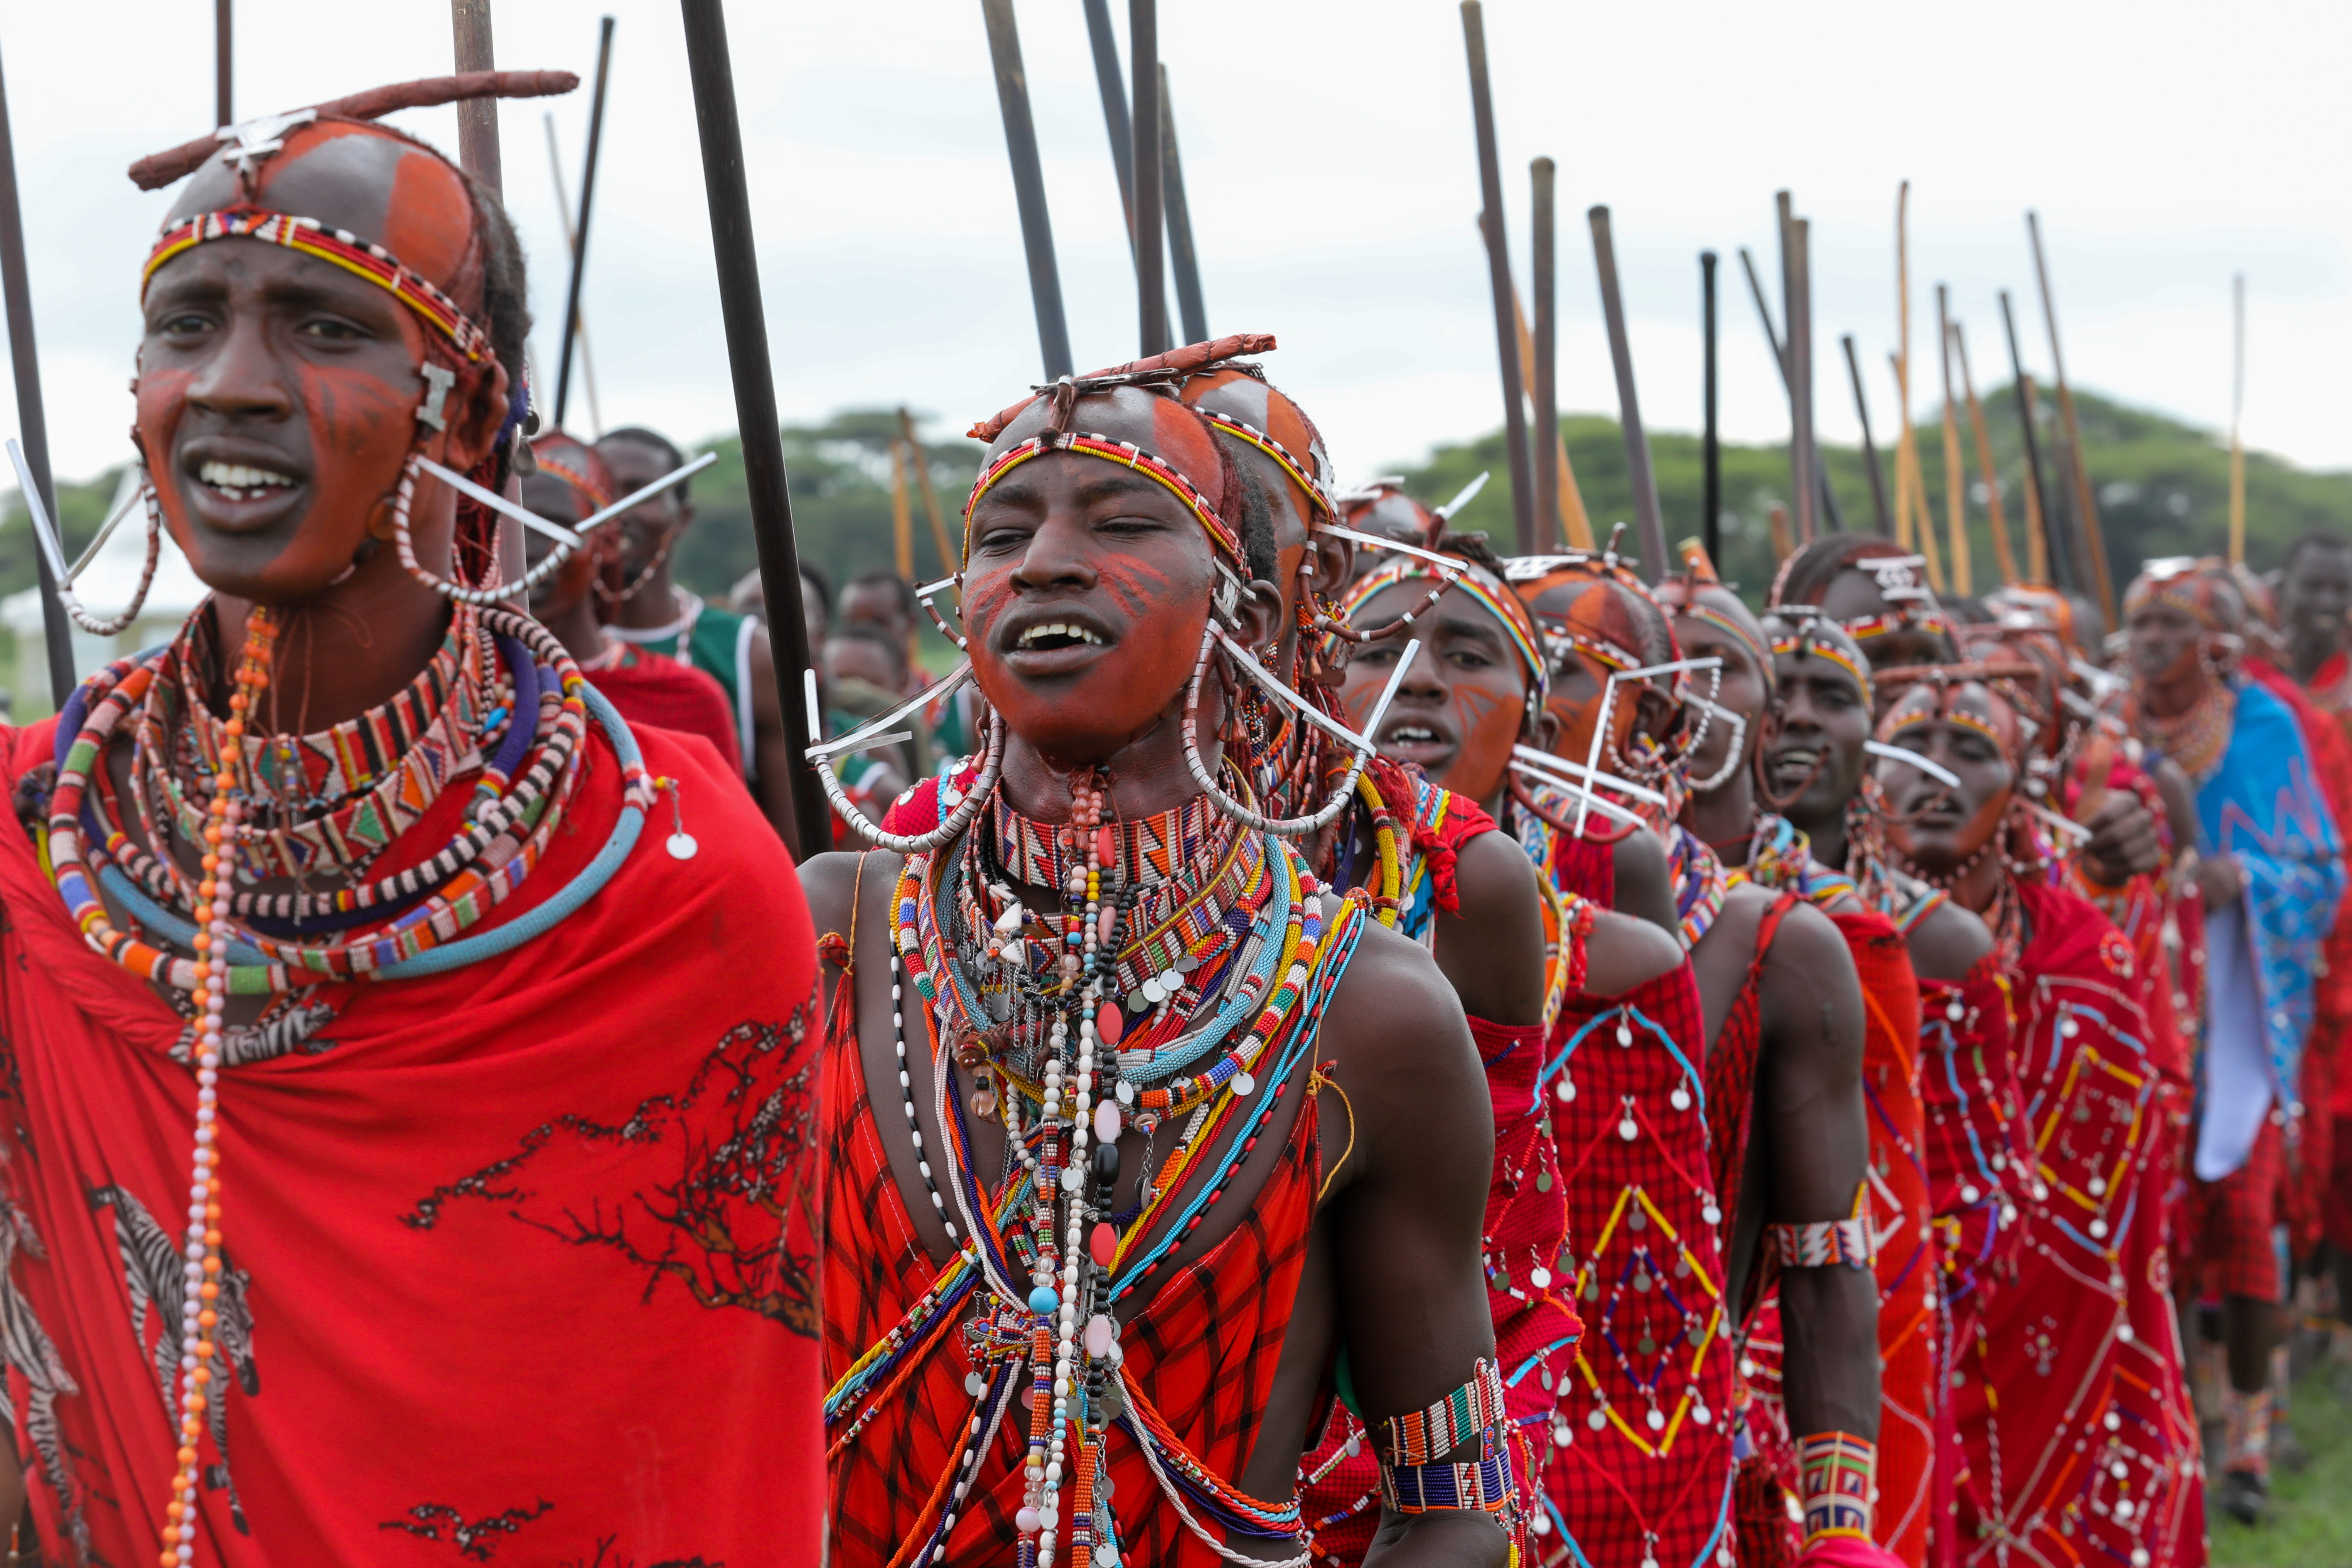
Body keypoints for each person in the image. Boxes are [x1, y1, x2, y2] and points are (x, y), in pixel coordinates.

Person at [0, 87, 821, 1564]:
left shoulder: (660, 872)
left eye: (325, 325)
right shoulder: (30, 839)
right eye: (186, 322)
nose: (232, 381)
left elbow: (695, 1440)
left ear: (474, 405)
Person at [805, 366, 1517, 1565]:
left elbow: (1452, 1506)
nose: (1044, 562)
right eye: (1001, 533)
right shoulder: (828, 935)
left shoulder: (1368, 1007)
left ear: (1241, 607)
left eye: (1124, 521)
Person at [1499, 549, 1885, 1568]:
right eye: (1502, 659)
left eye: (1567, 666)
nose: (1530, 696)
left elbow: (1825, 1272)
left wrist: (1842, 1535)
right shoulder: (1359, 925)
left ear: (1663, 723)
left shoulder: (1780, 951)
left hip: (1678, 1496)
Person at [1327, 530, 1685, 1564]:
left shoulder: (1600, 911)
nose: (1419, 680)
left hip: (1547, 1413)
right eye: (1376, 646)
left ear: (1535, 710)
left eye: (1469, 656)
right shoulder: (1247, 909)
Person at [1874, 660, 2203, 1563]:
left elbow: (2129, 1198)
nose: (1935, 772)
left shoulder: (2084, 947)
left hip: (2062, 1339)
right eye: (1908, 745)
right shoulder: (1816, 932)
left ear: (2023, 786)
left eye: (1972, 748)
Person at [1660, 550, 1943, 1568]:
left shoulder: (1840, 940)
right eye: (1658, 662)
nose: (1681, 688)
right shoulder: (1529, 913)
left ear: (1763, 722)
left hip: (1757, 1393)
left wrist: (1839, 1522)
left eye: (1715, 665)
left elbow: (1866, 1232)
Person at [2123, 560, 2344, 1522]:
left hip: (2239, 1020)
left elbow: (2321, 869)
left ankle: (2249, 1441)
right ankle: (2177, 1422)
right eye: (2140, 626)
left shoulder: (2262, 726)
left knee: (2248, 1217)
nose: (2151, 643)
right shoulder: (2108, 730)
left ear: (2215, 641)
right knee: (2150, 1226)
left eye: (2171, 626)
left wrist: (2240, 878)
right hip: (2136, 1012)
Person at [596, 425, 799, 841]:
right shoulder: (537, 640)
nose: (617, 509)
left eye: (639, 491)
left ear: (682, 517)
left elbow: (792, 849)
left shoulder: (748, 655)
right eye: (602, 489)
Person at [521, 429, 742, 773]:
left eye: (556, 526)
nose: (528, 549)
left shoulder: (689, 693)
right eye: (509, 526)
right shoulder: (473, 682)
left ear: (608, 540)